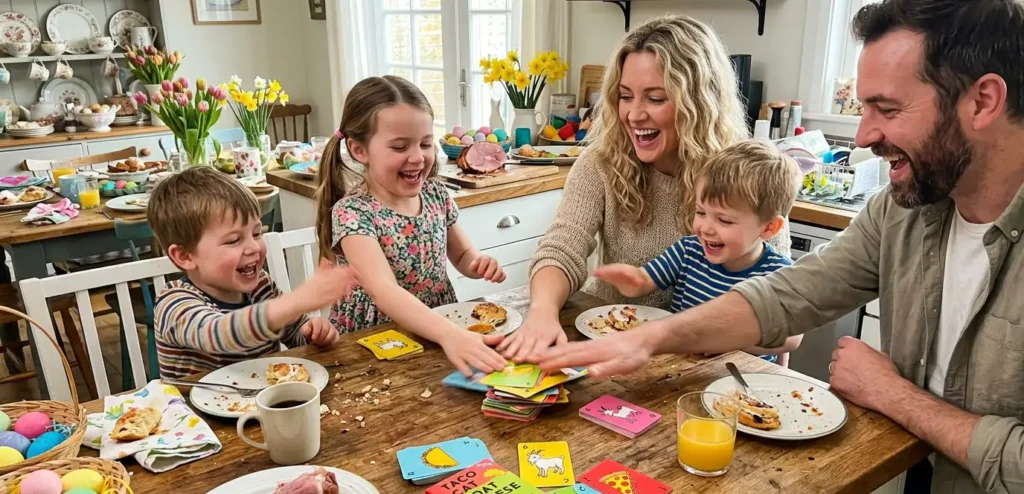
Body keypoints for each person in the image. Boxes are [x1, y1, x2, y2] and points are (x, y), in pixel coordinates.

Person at [538, 0, 1024, 494]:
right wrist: (649, 338)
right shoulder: (903, 211)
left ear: (983, 101)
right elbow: (787, 296)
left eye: (886, 109)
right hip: (899, 480)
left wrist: (895, 397)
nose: (863, 135)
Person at [498, 14, 791, 363]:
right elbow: (563, 246)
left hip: (701, 363)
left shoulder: (744, 178)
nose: (634, 115)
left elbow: (779, 311)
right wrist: (543, 314)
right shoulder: (599, 163)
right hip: (610, 338)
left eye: (655, 99)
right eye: (625, 96)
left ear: (698, 102)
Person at [315, 75, 507, 376]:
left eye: (426, 143)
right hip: (377, 343)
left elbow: (461, 254)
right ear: (359, 150)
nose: (418, 157)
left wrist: (477, 263)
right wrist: (448, 333)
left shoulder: (435, 193)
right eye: (400, 147)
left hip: (439, 328)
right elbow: (384, 291)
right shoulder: (352, 213)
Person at [594, 139, 803, 363]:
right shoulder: (689, 251)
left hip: (744, 383)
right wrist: (632, 279)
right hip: (683, 369)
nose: (705, 228)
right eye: (701, 212)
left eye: (724, 220)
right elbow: (645, 280)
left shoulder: (779, 275)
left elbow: (790, 340)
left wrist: (729, 340)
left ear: (769, 227)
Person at [152, 167, 358, 380]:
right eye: (233, 240)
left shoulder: (261, 285)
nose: (254, 247)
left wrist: (312, 332)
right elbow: (219, 334)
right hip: (190, 412)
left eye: (257, 233)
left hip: (265, 404)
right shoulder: (175, 303)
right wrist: (297, 301)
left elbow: (293, 330)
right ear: (185, 256)